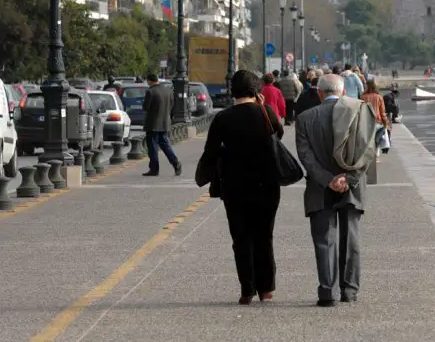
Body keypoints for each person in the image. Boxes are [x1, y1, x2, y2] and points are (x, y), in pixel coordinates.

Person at [197, 70, 284, 305]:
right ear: (256, 91)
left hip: (235, 187)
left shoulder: (223, 118)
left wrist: (202, 177)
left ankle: (247, 290)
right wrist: (263, 106)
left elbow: (211, 152)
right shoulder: (266, 112)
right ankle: (266, 289)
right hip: (267, 184)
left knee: (241, 238)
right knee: (264, 236)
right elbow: (280, 135)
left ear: (232, 91)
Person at [295, 74, 377, 307]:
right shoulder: (360, 111)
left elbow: (306, 157)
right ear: (342, 92)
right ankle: (349, 290)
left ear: (319, 93)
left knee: (324, 240)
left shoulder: (305, 118)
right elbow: (367, 152)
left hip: (320, 188)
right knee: (351, 238)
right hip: (352, 188)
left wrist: (329, 180)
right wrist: (349, 179)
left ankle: (327, 292)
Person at [142, 73, 181, 176]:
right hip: (165, 123)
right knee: (165, 145)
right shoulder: (168, 91)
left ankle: (154, 169)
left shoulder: (150, 91)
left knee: (153, 147)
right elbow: (172, 106)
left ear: (149, 81)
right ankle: (176, 163)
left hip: (152, 124)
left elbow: (146, 107)